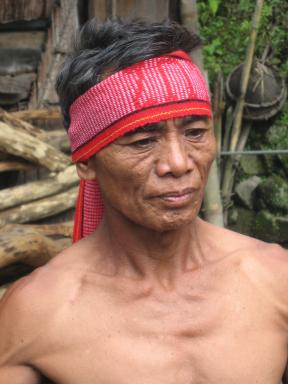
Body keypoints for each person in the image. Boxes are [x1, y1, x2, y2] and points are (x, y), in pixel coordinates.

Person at [0, 18, 287, 384]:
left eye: (196, 133)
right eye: (142, 142)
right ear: (86, 161)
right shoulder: (37, 315)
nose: (179, 163)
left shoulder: (275, 280)